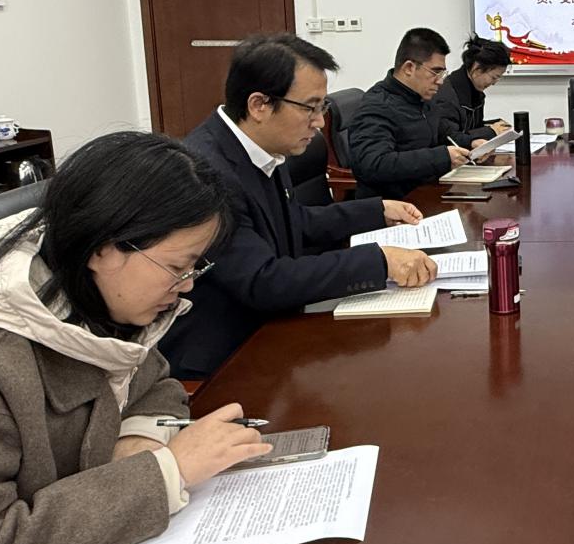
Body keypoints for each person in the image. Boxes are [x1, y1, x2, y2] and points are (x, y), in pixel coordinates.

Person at [0, 132, 273, 544]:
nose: (187, 285)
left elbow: (155, 380)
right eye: (177, 266)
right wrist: (166, 471)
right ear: (103, 248)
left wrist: (139, 436)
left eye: (195, 267)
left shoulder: (94, 297)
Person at [161, 34, 437, 380]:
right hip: (226, 356)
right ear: (259, 105)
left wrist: (376, 211)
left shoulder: (261, 146)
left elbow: (292, 221)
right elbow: (262, 280)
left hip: (273, 324)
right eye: (310, 107)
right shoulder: (206, 173)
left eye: (322, 107)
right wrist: (380, 261)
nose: (320, 122)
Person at [349, 27, 477, 199]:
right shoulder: (377, 106)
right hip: (395, 204)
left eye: (442, 73)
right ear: (409, 68)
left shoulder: (423, 99)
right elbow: (374, 164)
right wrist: (441, 157)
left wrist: (472, 143)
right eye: (435, 72)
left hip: (429, 191)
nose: (440, 81)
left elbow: (444, 134)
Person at [431, 33, 513, 147]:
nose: (494, 83)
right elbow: (450, 139)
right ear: (477, 69)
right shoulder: (446, 96)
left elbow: (473, 128)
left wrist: (496, 127)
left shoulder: (476, 92)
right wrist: (491, 131)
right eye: (494, 77)